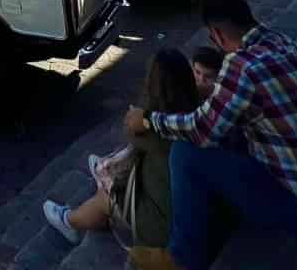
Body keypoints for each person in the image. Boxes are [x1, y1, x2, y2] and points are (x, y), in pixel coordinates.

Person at [124, 0, 297, 270]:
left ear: (218, 36)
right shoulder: (283, 44)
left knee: (186, 154)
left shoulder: (241, 67)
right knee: (232, 134)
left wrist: (148, 119)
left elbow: (201, 130)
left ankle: (181, 259)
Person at [43, 50, 200, 256]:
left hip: (167, 227)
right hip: (190, 209)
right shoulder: (199, 114)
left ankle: (70, 222)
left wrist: (142, 113)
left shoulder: (157, 129)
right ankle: (103, 191)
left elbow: (131, 129)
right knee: (120, 180)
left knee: (107, 197)